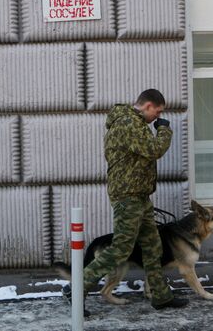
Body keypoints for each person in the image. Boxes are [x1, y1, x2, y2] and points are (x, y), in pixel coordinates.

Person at [65, 89, 188, 314]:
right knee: (121, 249)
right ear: (148, 106)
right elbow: (153, 150)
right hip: (128, 197)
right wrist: (164, 129)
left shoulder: (135, 123)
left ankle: (161, 296)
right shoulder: (128, 123)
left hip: (139, 196)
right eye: (157, 112)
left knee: (152, 247)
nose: (157, 117)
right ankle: (76, 289)